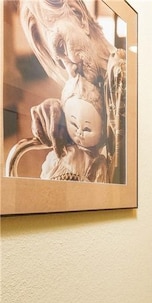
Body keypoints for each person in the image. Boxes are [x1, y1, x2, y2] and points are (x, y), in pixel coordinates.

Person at [18, 0, 126, 183]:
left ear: (79, 16)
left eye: (62, 47)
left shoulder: (125, 74)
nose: (71, 70)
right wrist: (66, 113)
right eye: (60, 62)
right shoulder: (101, 86)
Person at [40, 75, 108, 182]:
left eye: (87, 129)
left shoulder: (98, 163)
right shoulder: (59, 155)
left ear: (102, 129)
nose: (79, 132)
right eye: (73, 124)